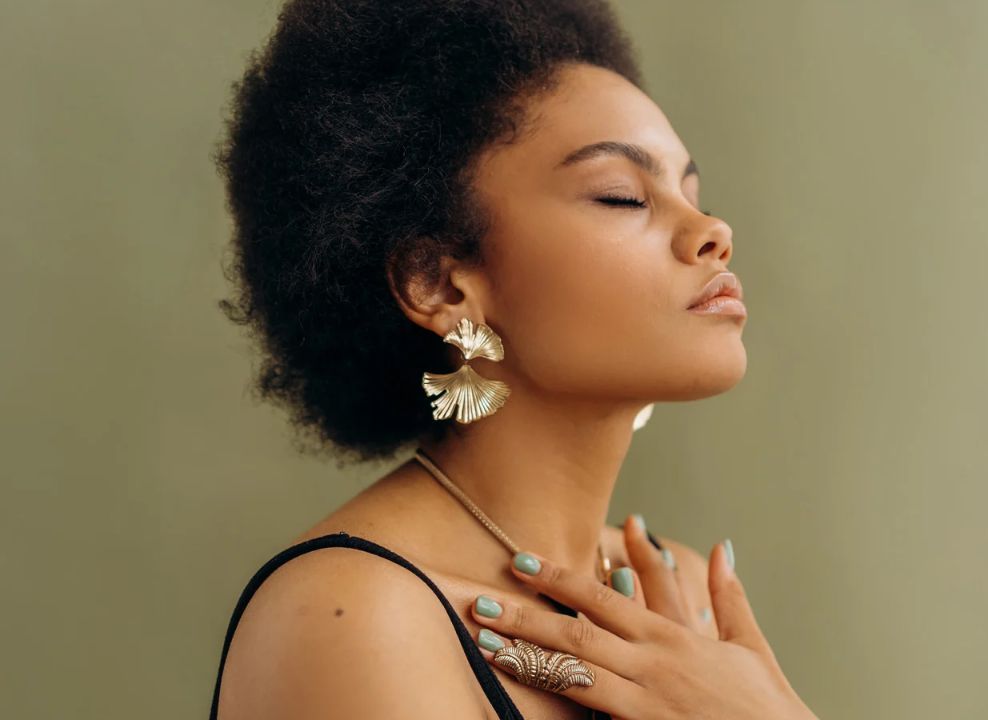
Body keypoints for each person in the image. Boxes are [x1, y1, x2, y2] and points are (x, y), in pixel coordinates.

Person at [208, 1, 817, 718]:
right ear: (440, 283)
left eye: (690, 191)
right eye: (623, 197)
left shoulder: (677, 598)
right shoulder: (357, 614)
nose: (711, 230)